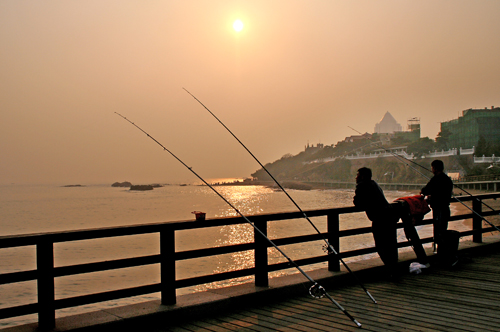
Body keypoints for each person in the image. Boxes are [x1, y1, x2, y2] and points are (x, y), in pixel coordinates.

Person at [353, 167, 399, 275]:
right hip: (389, 217)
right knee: (391, 244)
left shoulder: (362, 186)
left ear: (363, 176)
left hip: (380, 219)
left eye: (358, 175)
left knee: (381, 245)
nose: (356, 177)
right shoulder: (374, 184)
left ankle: (390, 269)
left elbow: (357, 202)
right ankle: (394, 268)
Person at [420, 160, 453, 251]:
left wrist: (426, 193)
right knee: (443, 228)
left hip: (438, 209)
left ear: (434, 168)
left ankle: (438, 250)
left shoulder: (435, 179)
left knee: (438, 230)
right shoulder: (447, 179)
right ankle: (442, 249)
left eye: (432, 168)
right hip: (445, 208)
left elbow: (425, 190)